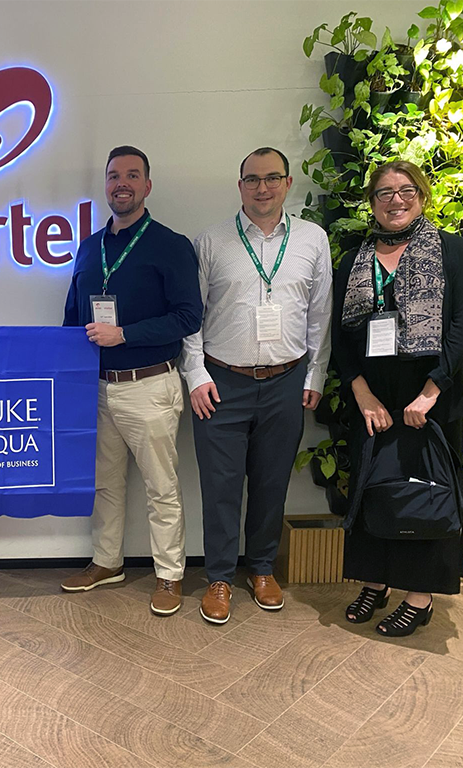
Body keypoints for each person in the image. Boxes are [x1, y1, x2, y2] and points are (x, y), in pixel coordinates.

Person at [180, 147, 333, 625]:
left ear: (288, 183)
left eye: (272, 178)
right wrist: (196, 374)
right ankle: (221, 577)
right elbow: (192, 316)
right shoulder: (212, 241)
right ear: (239, 185)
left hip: (287, 381)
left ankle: (262, 568)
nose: (262, 188)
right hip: (222, 382)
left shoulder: (313, 240)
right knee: (221, 486)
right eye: (252, 179)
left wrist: (315, 374)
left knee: (270, 482)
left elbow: (321, 315)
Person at [334, 160, 463, 637]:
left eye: (406, 190)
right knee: (372, 484)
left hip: (431, 396)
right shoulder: (354, 260)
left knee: (426, 490)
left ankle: (419, 596)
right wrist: (361, 392)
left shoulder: (451, 251)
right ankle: (375, 582)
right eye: (384, 192)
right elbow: (339, 336)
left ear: (422, 195)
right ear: (371, 202)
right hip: (373, 397)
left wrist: (431, 391)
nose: (395, 200)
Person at [60, 145, 203, 617]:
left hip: (150, 385)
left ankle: (169, 574)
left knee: (162, 486)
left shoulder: (170, 243)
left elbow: (188, 316)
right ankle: (107, 562)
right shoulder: (88, 247)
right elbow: (70, 319)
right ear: (105, 185)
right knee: (105, 483)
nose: (121, 183)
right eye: (113, 176)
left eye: (132, 175)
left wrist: (124, 334)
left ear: (147, 185)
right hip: (98, 388)